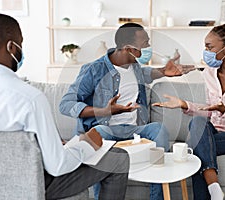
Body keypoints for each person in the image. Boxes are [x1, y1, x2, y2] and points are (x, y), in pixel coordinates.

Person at [0, 13, 129, 200]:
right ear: (12, 46)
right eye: (21, 44)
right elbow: (57, 166)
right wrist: (87, 144)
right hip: (31, 187)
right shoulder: (30, 99)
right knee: (118, 159)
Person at [59, 22, 195, 200]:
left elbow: (145, 74)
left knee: (159, 130)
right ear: (127, 48)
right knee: (99, 132)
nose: (148, 47)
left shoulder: (134, 66)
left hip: (134, 131)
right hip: (106, 130)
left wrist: (163, 71)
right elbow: (65, 104)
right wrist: (103, 111)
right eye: (144, 44)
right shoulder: (94, 70)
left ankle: (158, 197)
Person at [152, 24, 225, 200]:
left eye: (209, 47)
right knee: (197, 123)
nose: (206, 51)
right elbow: (209, 112)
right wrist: (184, 104)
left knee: (196, 149)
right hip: (214, 131)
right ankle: (214, 189)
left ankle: (212, 188)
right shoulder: (210, 74)